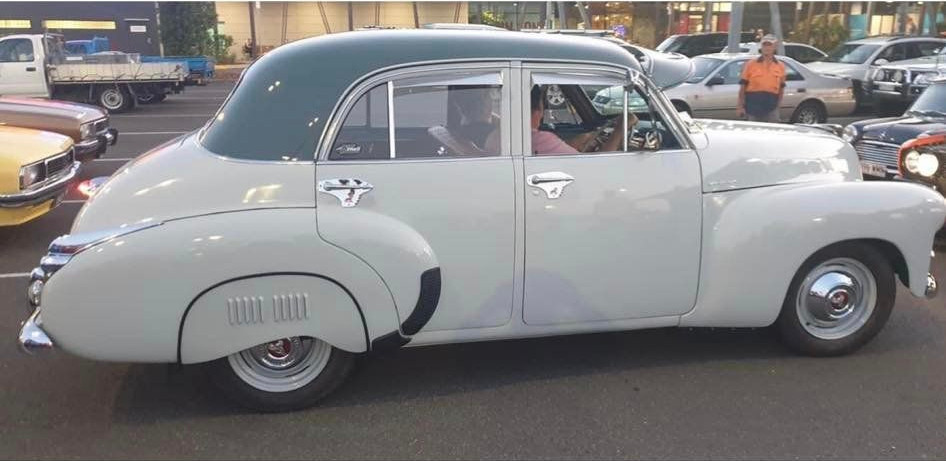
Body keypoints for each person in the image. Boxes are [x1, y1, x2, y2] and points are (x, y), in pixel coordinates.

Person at [531, 86, 633, 155]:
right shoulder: (538, 138)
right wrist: (621, 129)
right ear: (538, 111)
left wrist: (574, 143)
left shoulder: (527, 139)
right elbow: (597, 167)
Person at [737, 34, 786, 123]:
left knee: (771, 134)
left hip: (771, 107)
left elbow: (781, 89)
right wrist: (740, 107)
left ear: (774, 47)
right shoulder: (751, 64)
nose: (767, 48)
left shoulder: (780, 66)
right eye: (764, 45)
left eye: (769, 45)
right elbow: (742, 87)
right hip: (753, 107)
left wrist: (778, 107)